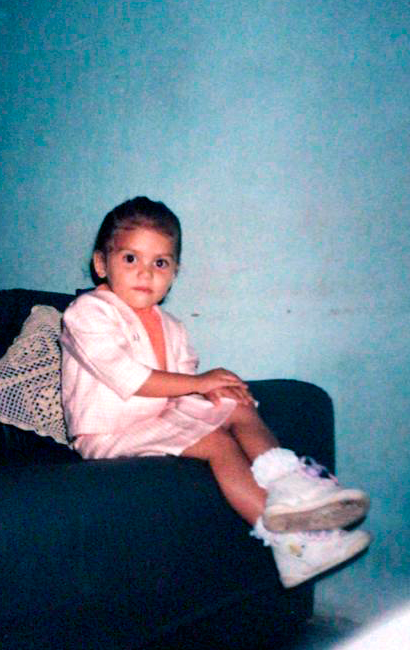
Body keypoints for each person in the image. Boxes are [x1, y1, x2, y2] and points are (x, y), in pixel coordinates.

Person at [60, 196, 371, 588]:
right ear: (101, 264)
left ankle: (290, 486)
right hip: (107, 433)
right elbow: (131, 378)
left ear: (174, 273)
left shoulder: (172, 326)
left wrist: (216, 391)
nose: (145, 273)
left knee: (234, 402)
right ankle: (292, 546)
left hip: (155, 418)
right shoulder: (88, 312)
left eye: (160, 263)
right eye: (130, 258)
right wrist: (200, 383)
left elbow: (182, 388)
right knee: (217, 444)